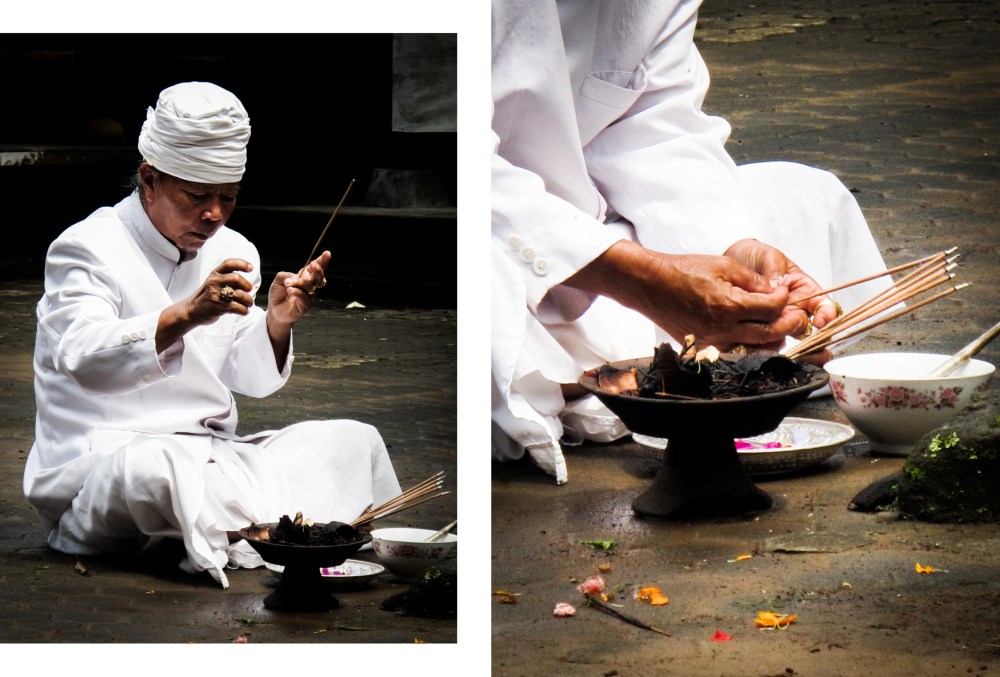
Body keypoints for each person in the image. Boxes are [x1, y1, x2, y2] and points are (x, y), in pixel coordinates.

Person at [492, 0, 894, 484]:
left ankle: (700, 351)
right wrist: (640, 280)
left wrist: (731, 250)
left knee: (802, 195)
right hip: (497, 241)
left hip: (592, 220)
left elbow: (656, 126)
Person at [23, 81, 401, 588]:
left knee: (351, 440)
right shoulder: (86, 247)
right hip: (105, 464)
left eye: (228, 197)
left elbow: (248, 374)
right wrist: (188, 313)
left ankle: (255, 528)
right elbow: (83, 358)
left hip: (211, 454)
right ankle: (262, 528)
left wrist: (277, 322)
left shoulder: (233, 247)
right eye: (198, 196)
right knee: (160, 470)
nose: (215, 214)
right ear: (149, 179)